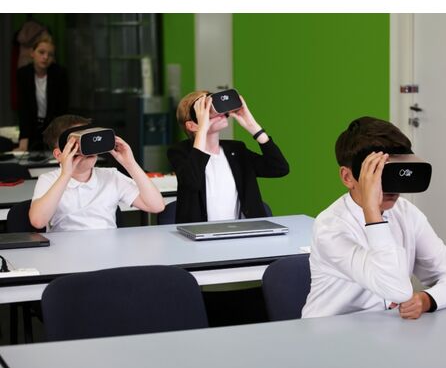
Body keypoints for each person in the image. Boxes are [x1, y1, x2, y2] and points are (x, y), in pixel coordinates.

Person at [302, 116, 446, 319]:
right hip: (329, 332)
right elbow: (396, 289)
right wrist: (372, 211)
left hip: (387, 331)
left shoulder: (406, 213)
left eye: (395, 172)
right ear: (348, 177)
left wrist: (426, 299)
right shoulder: (330, 228)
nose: (392, 186)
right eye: (377, 173)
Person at [167, 90, 289, 223]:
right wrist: (202, 129)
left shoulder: (236, 150)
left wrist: (254, 127)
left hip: (245, 231)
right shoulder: (180, 152)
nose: (219, 113)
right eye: (206, 111)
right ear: (192, 125)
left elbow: (279, 168)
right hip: (200, 232)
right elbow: (192, 182)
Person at [29, 115, 165, 232]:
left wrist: (130, 164)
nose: (88, 147)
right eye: (77, 143)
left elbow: (156, 206)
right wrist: (65, 175)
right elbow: (38, 221)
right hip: (65, 251)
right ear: (59, 155)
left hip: (108, 249)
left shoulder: (111, 176)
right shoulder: (49, 180)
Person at [17, 32, 69, 152]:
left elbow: (62, 109)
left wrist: (59, 139)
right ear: (32, 53)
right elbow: (23, 108)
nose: (45, 57)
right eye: (41, 52)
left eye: (50, 54)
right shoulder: (23, 74)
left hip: (53, 127)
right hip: (32, 127)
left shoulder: (59, 74)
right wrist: (23, 140)